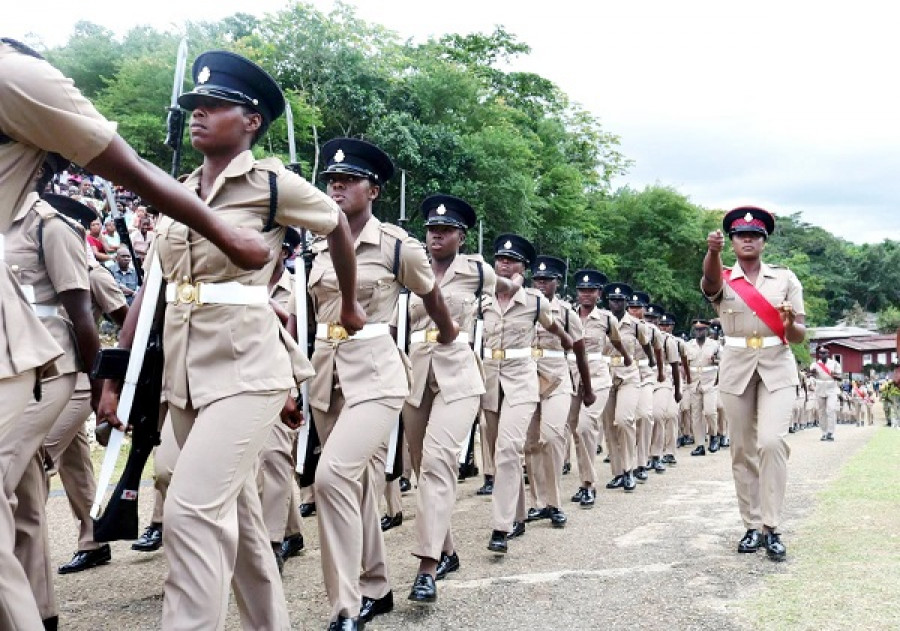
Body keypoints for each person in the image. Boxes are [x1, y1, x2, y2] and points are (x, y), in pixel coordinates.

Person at [96, 50, 363, 630]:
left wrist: (348, 299)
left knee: (190, 513)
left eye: (214, 105)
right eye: (193, 105)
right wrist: (113, 371)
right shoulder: (177, 190)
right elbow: (152, 288)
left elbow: (337, 224)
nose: (197, 113)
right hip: (186, 376)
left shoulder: (272, 185)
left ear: (251, 121)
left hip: (248, 370)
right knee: (236, 524)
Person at [308, 138, 456, 630]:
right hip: (326, 372)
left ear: (373, 189)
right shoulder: (315, 240)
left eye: (347, 180)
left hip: (375, 370)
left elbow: (431, 294)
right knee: (358, 484)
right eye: (332, 179)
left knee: (331, 477)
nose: (337, 186)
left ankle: (346, 605)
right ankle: (377, 587)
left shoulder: (397, 245)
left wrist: (449, 334)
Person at [4, 182, 101, 629]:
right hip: (9, 368)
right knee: (23, 492)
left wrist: (99, 382)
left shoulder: (51, 227)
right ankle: (38, 610)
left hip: (53, 368)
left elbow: (81, 311)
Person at [401, 194, 497, 603]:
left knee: (441, 462)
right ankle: (448, 551)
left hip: (458, 371)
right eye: (431, 230)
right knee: (425, 469)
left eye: (445, 231)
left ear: (461, 235)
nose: (436, 236)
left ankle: (427, 567)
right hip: (415, 372)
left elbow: (501, 298)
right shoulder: (409, 266)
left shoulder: (478, 272)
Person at [701, 205, 806, 561]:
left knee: (772, 442)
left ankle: (772, 526)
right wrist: (711, 252)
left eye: (755, 235)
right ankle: (751, 524)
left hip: (777, 365)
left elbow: (800, 335)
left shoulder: (786, 279)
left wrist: (789, 323)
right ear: (731, 241)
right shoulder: (723, 275)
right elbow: (711, 284)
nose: (748, 239)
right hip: (736, 366)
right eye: (741, 235)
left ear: (763, 241)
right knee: (743, 449)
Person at [479, 234, 573, 553]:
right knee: (498, 451)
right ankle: (517, 514)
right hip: (490, 379)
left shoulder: (535, 301)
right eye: (500, 259)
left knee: (509, 448)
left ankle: (500, 527)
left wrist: (569, 345)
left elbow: (555, 329)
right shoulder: (482, 297)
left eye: (512, 260)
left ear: (523, 267)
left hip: (521, 379)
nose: (504, 263)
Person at [526, 256, 594, 527]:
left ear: (557, 283)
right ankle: (538, 502)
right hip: (527, 375)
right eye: (538, 280)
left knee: (552, 437)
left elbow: (580, 355)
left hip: (557, 377)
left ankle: (554, 503)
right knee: (531, 443)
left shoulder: (567, 313)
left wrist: (587, 389)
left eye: (548, 280)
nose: (542, 284)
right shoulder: (524, 307)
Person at [566, 270, 627, 507]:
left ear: (599, 294)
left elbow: (617, 342)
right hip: (571, 376)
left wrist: (626, 359)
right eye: (582, 290)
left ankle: (590, 485)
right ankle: (583, 483)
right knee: (576, 431)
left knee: (585, 426)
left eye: (591, 291)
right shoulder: (568, 315)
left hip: (598, 377)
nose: (586, 294)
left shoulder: (606, 319)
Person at [601, 282, 643, 493]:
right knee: (609, 425)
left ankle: (629, 469)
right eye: (613, 299)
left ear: (626, 302)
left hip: (628, 375)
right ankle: (617, 472)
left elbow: (649, 349)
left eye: (620, 300)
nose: (616, 303)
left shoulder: (635, 325)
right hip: (606, 375)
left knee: (624, 420)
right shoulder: (601, 321)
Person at [685, 318, 721, 455]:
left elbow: (722, 362)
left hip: (710, 382)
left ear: (706, 330)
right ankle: (699, 444)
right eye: (697, 329)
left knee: (710, 411)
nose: (699, 332)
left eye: (701, 329)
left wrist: (715, 360)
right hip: (694, 382)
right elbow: (685, 364)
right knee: (696, 415)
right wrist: (687, 379)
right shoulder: (689, 345)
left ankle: (713, 436)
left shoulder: (714, 345)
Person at [810, 345, 842, 441]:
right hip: (820, 388)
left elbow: (840, 377)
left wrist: (834, 375)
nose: (823, 354)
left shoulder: (834, 364)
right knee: (821, 411)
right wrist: (812, 373)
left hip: (831, 388)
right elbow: (810, 375)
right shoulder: (815, 365)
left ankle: (830, 432)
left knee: (831, 410)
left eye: (825, 353)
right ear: (819, 354)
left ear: (828, 353)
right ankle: (824, 432)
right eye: (821, 353)